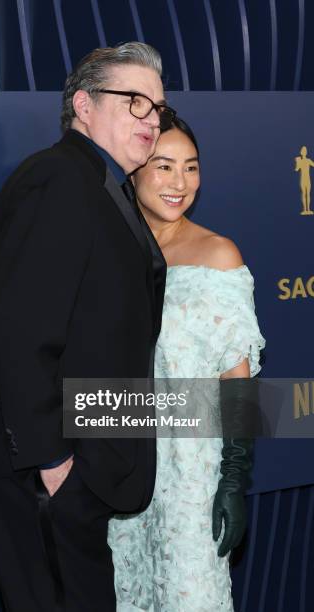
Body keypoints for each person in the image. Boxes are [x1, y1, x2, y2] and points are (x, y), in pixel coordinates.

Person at [0, 42, 176, 612]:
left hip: (71, 458)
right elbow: (19, 329)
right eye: (135, 102)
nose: (152, 119)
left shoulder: (103, 185)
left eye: (159, 108)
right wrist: (52, 463)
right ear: (84, 106)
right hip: (41, 465)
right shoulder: (60, 178)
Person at [108, 117, 265, 611]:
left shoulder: (218, 255)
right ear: (133, 170)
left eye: (191, 168)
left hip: (193, 478)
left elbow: (236, 382)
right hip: (120, 468)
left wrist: (234, 477)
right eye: (164, 166)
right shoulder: (108, 251)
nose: (180, 183)